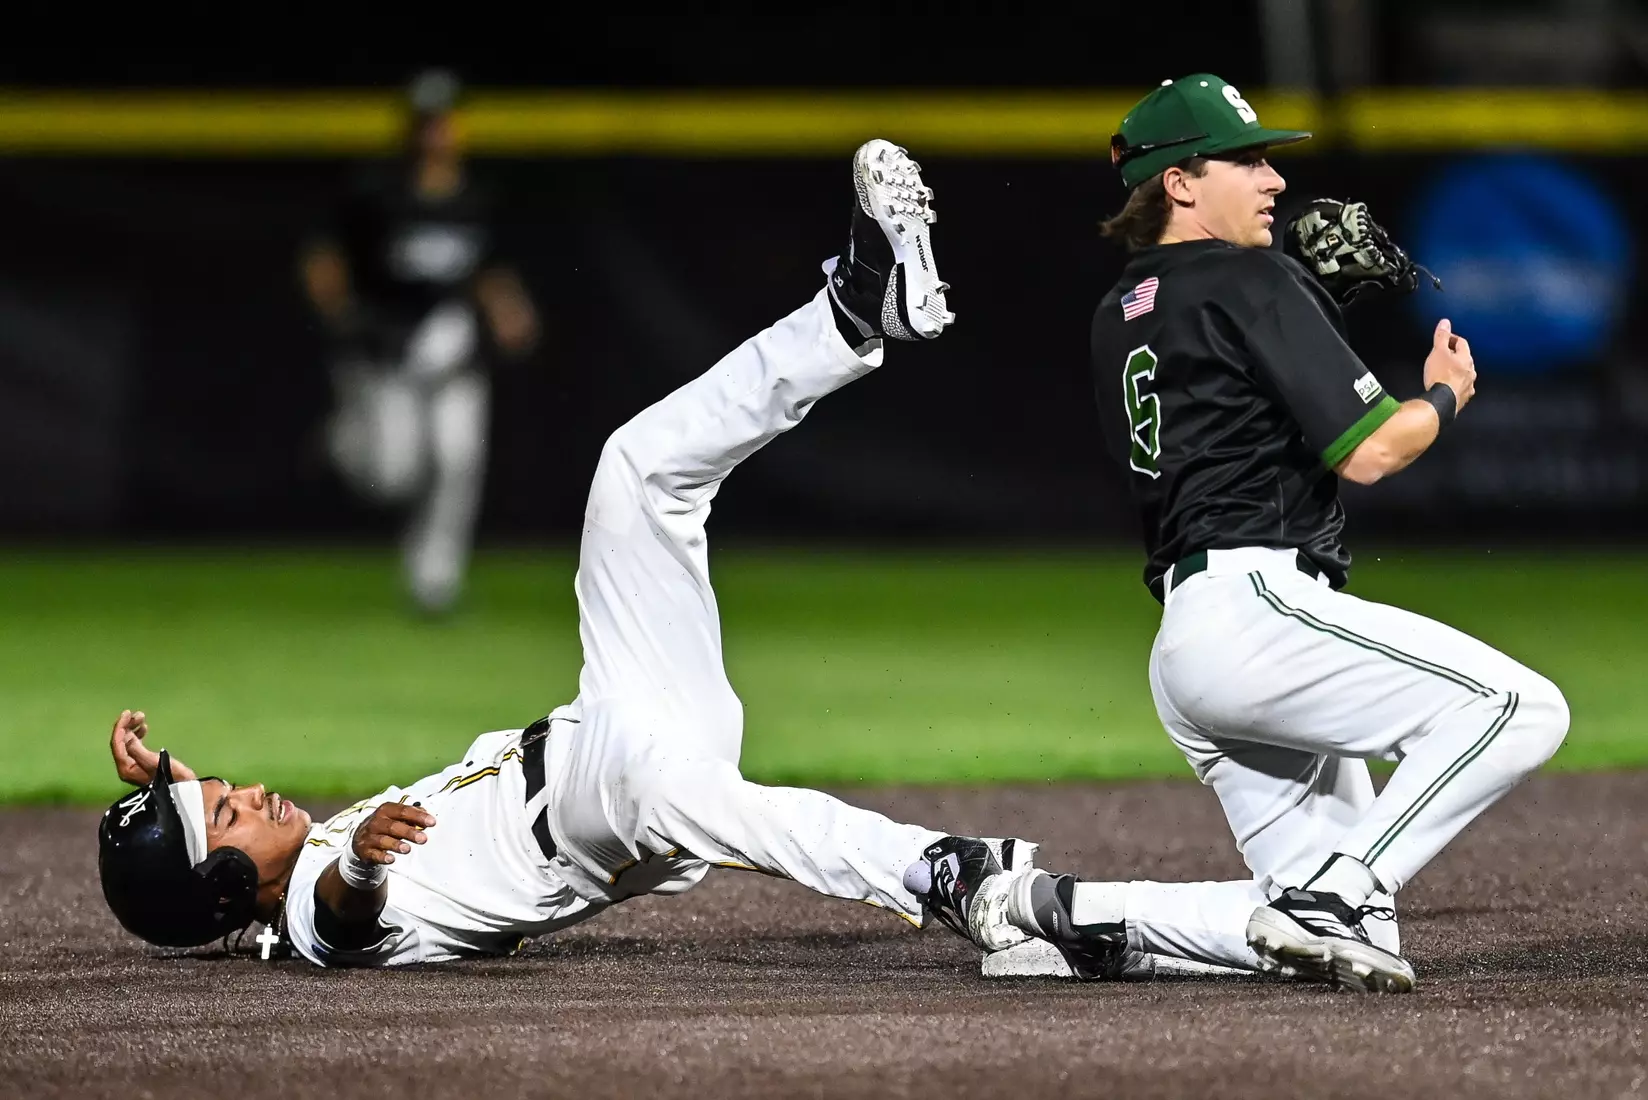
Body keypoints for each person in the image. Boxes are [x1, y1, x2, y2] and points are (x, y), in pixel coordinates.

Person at [96, 140, 1109, 976]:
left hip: (607, 716)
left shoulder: (268, 863)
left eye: (225, 785)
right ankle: (948, 872)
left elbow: (239, 853)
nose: (248, 793)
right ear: (231, 889)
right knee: (702, 801)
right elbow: (344, 916)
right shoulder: (311, 922)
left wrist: (171, 779)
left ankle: (852, 311)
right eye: (226, 812)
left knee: (638, 469)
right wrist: (357, 864)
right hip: (589, 813)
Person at [991, 74, 1570, 993]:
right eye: (1248, 160)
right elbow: (1375, 450)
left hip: (1190, 640)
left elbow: (1229, 405)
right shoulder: (1244, 276)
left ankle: (1072, 915)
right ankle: (1338, 892)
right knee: (1518, 709)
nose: (1273, 181)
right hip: (1258, 608)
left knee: (1346, 934)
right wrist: (1446, 392)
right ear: (1180, 182)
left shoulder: (1120, 311)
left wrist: (1300, 303)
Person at [299, 68, 540, 615]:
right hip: (388, 351)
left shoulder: (478, 196)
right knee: (392, 476)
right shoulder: (376, 192)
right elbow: (324, 257)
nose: (438, 132)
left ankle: (434, 582)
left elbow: (490, 270)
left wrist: (509, 312)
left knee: (458, 461)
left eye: (446, 120)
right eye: (428, 122)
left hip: (454, 350)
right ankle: (343, 440)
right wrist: (341, 315)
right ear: (412, 128)